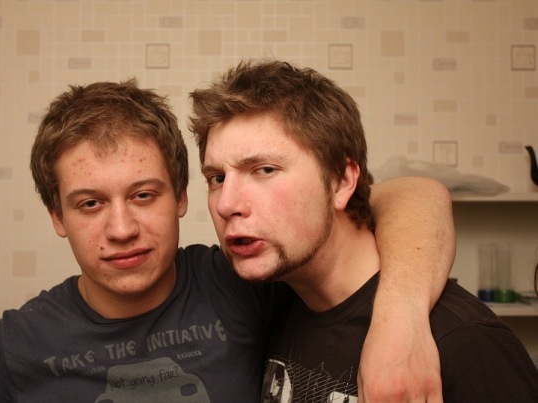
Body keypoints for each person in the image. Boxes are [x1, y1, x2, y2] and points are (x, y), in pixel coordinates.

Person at [0, 78, 454, 402]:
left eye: (144, 195)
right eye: (90, 204)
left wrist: (400, 319)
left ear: (182, 197)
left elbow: (408, 195)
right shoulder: (8, 353)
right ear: (57, 215)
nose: (121, 230)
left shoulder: (241, 283)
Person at [189, 59, 538, 402]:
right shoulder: (272, 302)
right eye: (217, 178)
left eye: (264, 170)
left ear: (342, 181)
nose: (226, 204)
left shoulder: (463, 340)